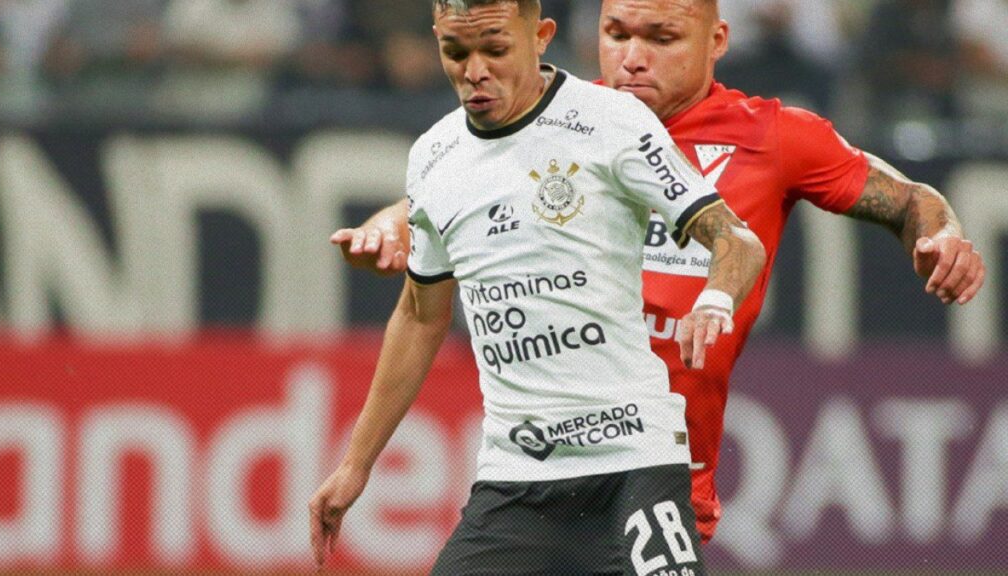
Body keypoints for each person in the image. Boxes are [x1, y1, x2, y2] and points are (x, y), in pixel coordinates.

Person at [330, 0, 987, 545]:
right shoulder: (553, 119)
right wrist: (396, 217)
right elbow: (454, 183)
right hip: (541, 467)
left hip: (655, 477)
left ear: (717, 39)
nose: (632, 57)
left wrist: (944, 235)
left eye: (661, 37)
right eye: (616, 34)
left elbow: (907, 200)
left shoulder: (773, 137)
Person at [309, 0, 767, 573]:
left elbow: (736, 240)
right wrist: (356, 465)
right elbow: (422, 316)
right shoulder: (434, 157)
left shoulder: (610, 122)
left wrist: (715, 298)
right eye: (456, 51)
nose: (474, 69)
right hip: (517, 481)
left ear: (541, 35)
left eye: (495, 49)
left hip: (632, 467)